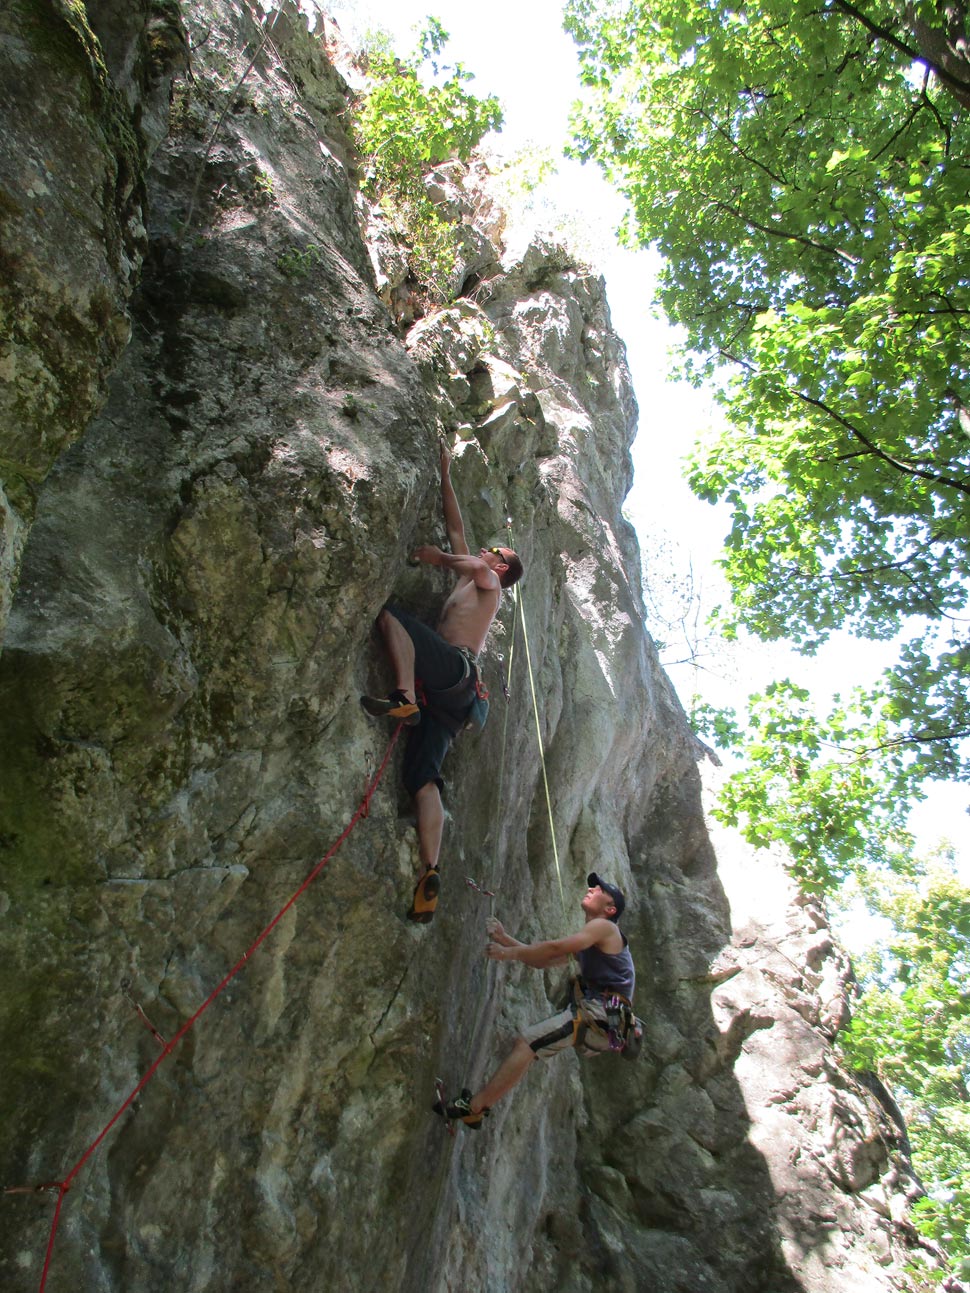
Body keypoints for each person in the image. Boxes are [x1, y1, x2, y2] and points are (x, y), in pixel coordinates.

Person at [360, 442, 523, 923]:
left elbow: (470, 561)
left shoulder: (488, 586)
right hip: (452, 703)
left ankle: (404, 697)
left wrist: (436, 558)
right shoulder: (472, 579)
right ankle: (431, 869)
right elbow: (457, 529)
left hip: (455, 672)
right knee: (421, 778)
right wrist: (445, 472)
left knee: (393, 619)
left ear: (500, 567)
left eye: (492, 552)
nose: (483, 550)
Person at [434, 874, 635, 1128]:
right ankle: (476, 1107)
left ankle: (474, 1108)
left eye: (600, 889)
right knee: (528, 1044)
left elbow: (553, 948)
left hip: (600, 1013)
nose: (591, 888)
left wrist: (509, 953)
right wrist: (506, 940)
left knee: (527, 1043)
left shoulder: (605, 927)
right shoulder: (593, 940)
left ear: (610, 909)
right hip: (600, 1015)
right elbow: (542, 961)